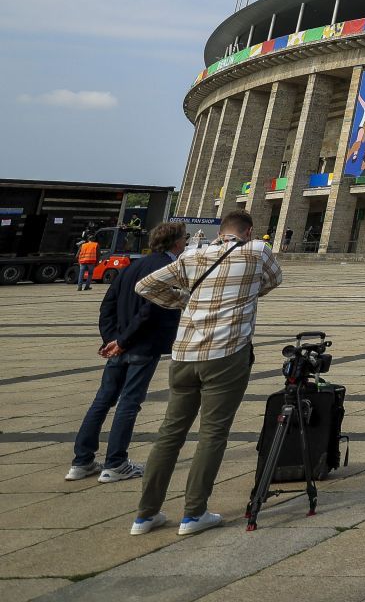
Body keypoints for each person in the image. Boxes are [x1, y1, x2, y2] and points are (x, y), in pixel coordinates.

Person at [129, 210, 282, 536]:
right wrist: (245, 293)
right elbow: (274, 280)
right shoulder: (256, 251)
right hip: (226, 354)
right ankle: (193, 513)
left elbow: (145, 285)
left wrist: (183, 300)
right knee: (212, 433)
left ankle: (145, 515)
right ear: (249, 231)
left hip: (184, 354)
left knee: (170, 432)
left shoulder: (191, 256)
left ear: (221, 230)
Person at [67, 222, 186, 484]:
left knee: (102, 400)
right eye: (184, 239)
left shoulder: (133, 266)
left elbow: (107, 304)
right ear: (176, 243)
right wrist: (121, 341)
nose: (186, 243)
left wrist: (111, 339)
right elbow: (150, 310)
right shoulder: (166, 269)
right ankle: (116, 463)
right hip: (141, 345)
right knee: (129, 403)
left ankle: (81, 461)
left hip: (119, 344)